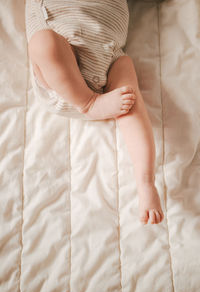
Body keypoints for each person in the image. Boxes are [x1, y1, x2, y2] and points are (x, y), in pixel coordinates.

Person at [25, 0, 164, 224]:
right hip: (62, 56)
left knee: (130, 97)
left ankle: (146, 182)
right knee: (43, 43)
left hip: (108, 56)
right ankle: (88, 103)